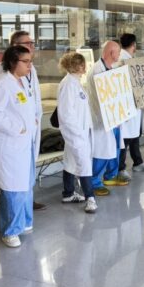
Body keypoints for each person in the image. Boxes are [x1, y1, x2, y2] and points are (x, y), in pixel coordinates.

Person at [0, 30, 47, 211]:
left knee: (24, 174)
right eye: (26, 43)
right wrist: (18, 127)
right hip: (11, 136)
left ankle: (25, 202)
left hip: (27, 132)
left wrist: (32, 120)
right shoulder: (0, 73)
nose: (31, 46)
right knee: (9, 180)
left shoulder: (30, 69)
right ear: (14, 47)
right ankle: (4, 206)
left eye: (32, 43)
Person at [0, 45, 37, 248]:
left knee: (25, 185)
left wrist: (30, 123)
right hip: (10, 144)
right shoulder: (2, 84)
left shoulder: (21, 81)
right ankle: (10, 231)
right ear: (13, 62)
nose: (30, 65)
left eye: (30, 61)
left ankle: (22, 222)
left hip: (24, 143)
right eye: (26, 61)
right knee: (13, 187)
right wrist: (18, 127)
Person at [85, 40, 128, 198]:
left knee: (115, 147)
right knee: (102, 151)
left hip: (113, 118)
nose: (119, 55)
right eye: (118, 52)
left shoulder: (111, 68)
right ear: (111, 53)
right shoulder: (97, 70)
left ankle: (110, 176)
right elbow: (102, 97)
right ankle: (94, 182)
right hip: (101, 119)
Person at [56, 52, 97, 213]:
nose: (84, 67)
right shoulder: (68, 84)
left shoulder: (76, 82)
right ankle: (90, 198)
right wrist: (78, 132)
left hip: (81, 130)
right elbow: (66, 114)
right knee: (84, 164)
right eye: (81, 64)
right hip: (75, 132)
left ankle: (68, 193)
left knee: (71, 161)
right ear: (74, 66)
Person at [116, 33, 144, 183]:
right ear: (133, 45)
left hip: (135, 104)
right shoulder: (122, 60)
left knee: (135, 136)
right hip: (127, 105)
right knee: (125, 139)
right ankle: (120, 168)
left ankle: (138, 162)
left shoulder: (131, 59)